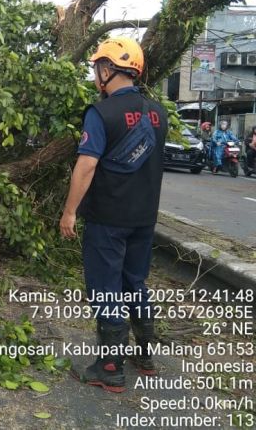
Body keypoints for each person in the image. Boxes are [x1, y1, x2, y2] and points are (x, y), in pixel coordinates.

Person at [59, 37, 168, 393]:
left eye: (96, 69)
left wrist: (69, 212)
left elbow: (86, 165)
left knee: (106, 289)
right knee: (135, 282)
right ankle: (146, 356)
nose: (95, 76)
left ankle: (110, 367)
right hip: (144, 218)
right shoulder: (158, 112)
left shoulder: (101, 112)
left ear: (107, 69)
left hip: (108, 219)